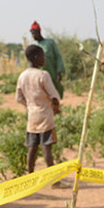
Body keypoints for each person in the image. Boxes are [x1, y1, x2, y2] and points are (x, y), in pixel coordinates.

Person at [16, 45, 63, 175]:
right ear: (36, 58)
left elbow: (19, 98)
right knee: (47, 148)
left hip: (32, 117)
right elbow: (53, 96)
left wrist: (30, 105)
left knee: (32, 148)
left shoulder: (22, 76)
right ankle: (53, 179)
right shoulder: (43, 75)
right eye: (43, 56)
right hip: (46, 116)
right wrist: (56, 107)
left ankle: (30, 175)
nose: (45, 59)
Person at [30, 21, 66, 98]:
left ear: (39, 32)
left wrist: (59, 72)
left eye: (34, 33)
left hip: (52, 72)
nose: (33, 35)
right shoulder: (34, 45)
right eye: (32, 33)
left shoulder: (50, 42)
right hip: (40, 74)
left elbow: (58, 56)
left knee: (55, 91)